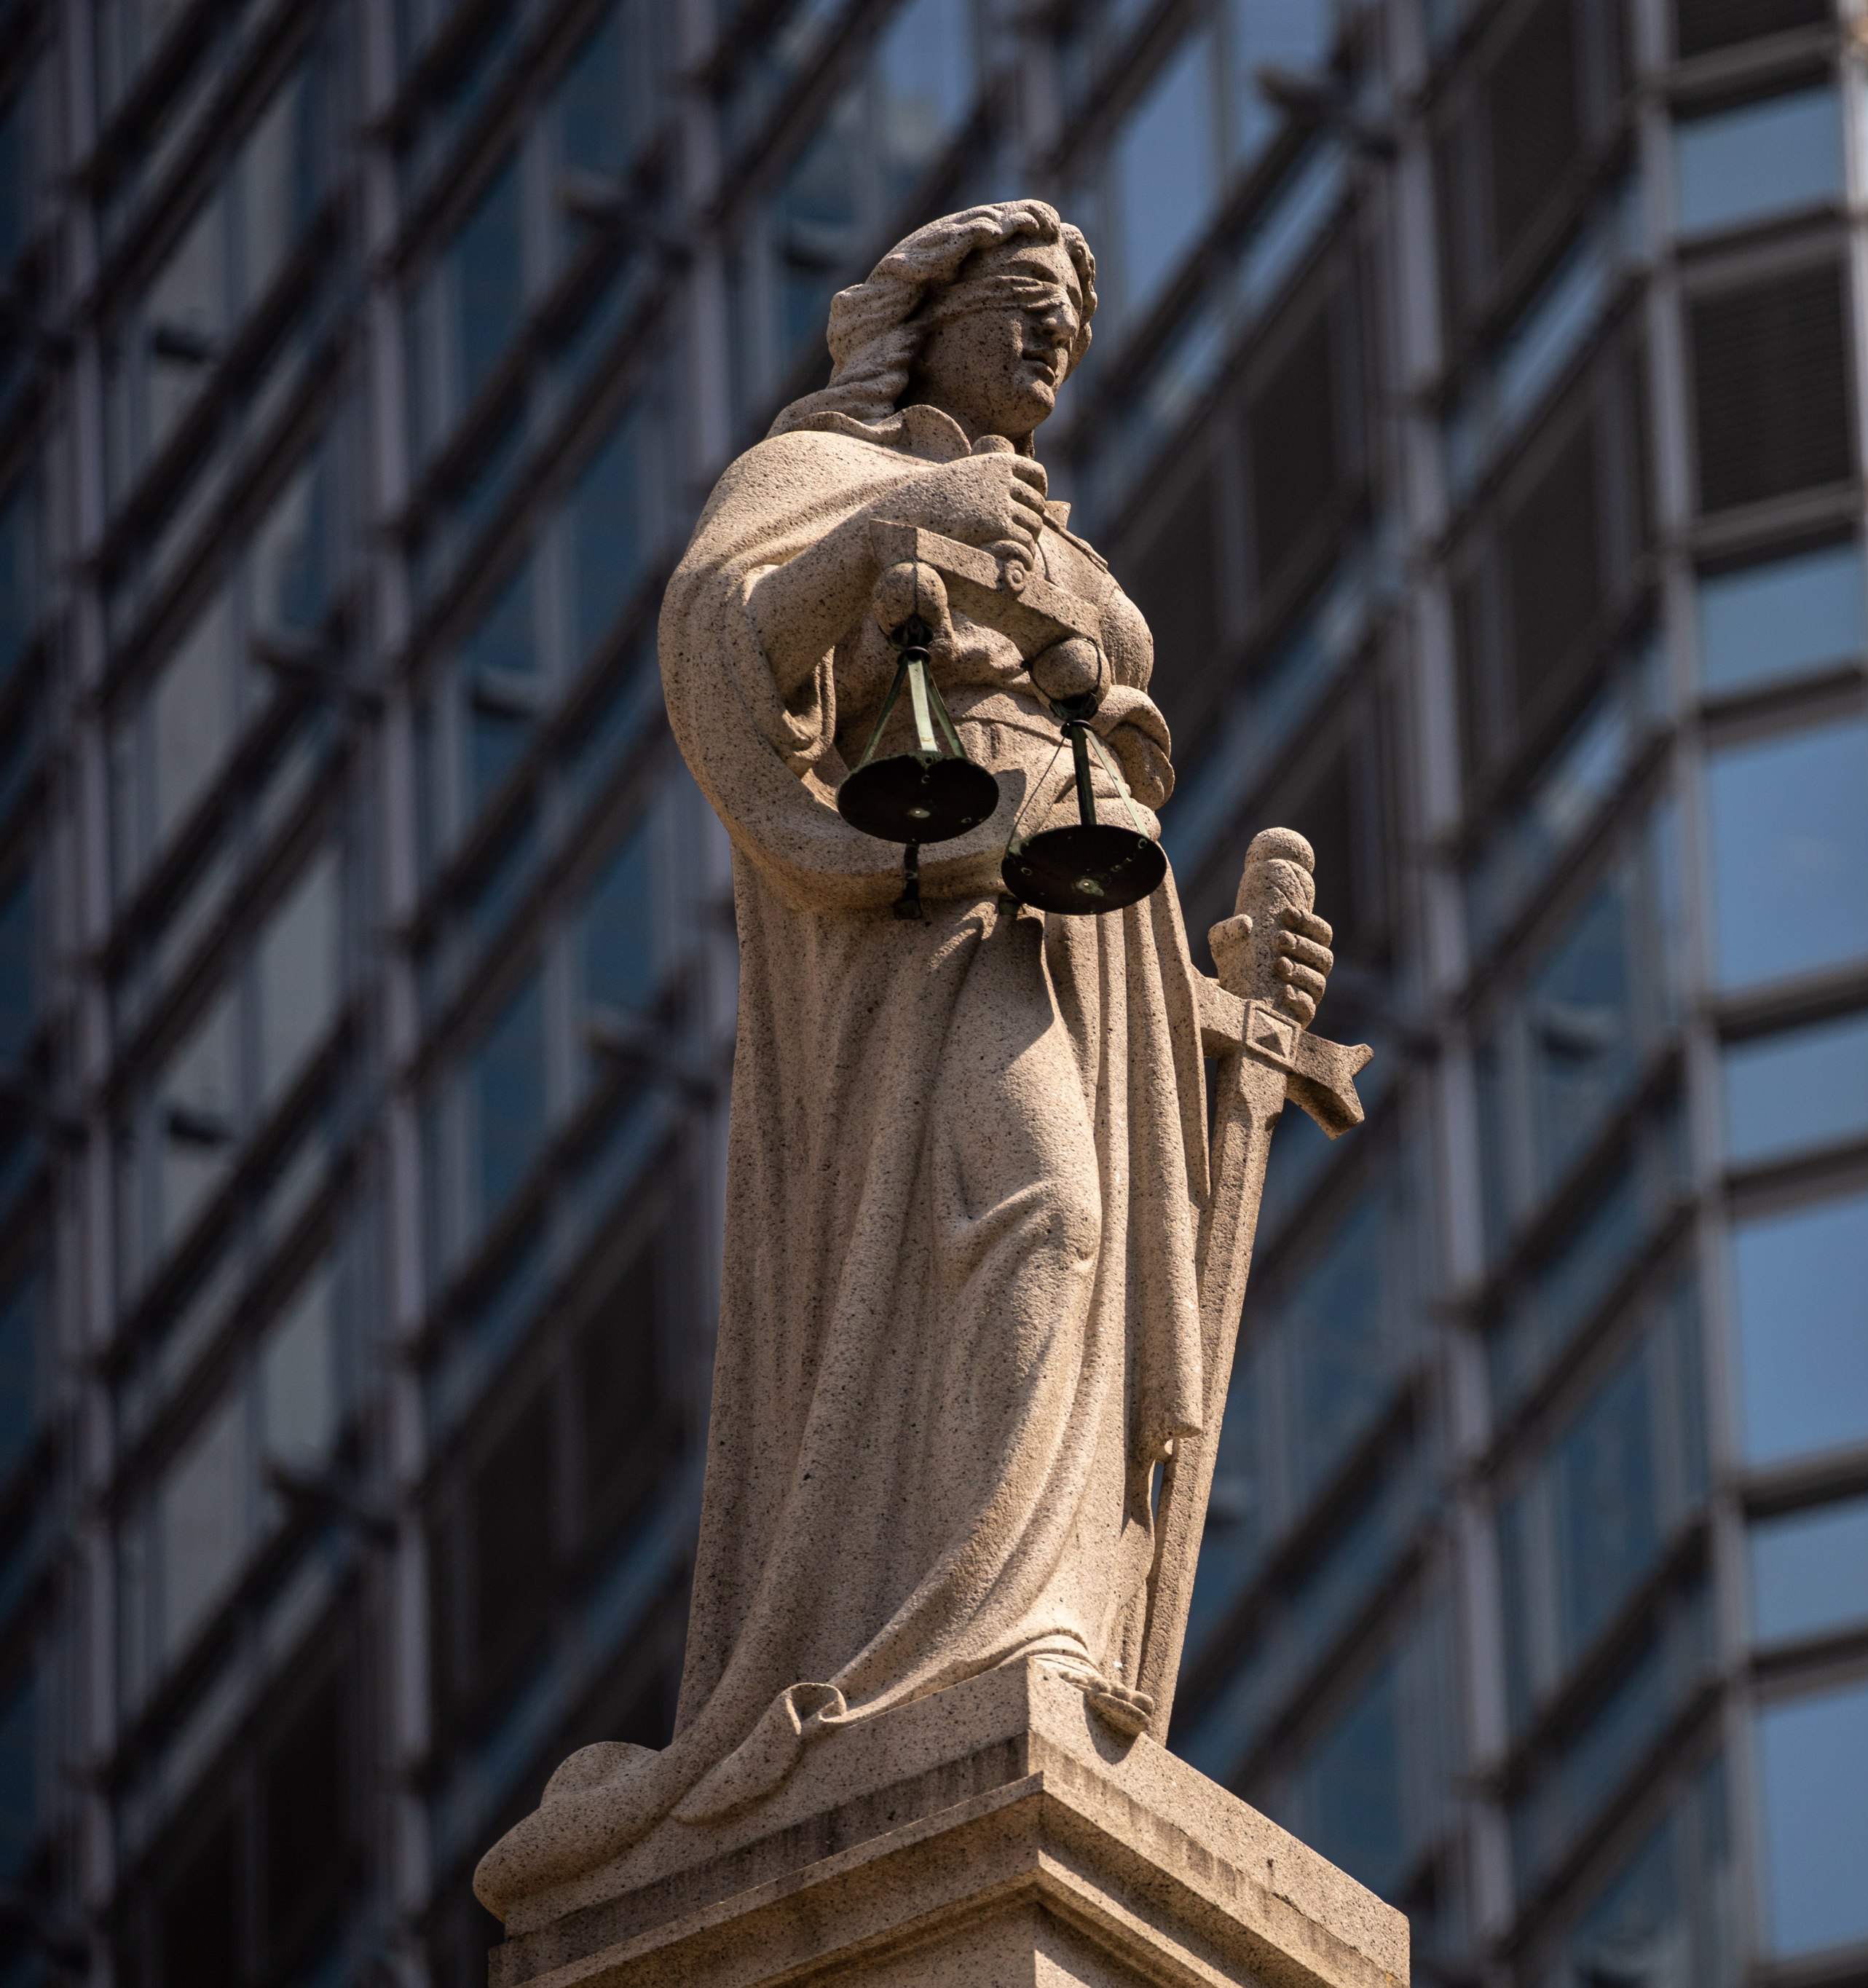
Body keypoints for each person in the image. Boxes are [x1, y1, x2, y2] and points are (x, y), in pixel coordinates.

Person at [473, 200, 1333, 1915]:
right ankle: (959, 1639)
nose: (1049, 343)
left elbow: (1098, 787)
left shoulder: (1072, 553)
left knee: (1083, 1274)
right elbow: (721, 646)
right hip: (925, 911)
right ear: (917, 323)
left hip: (1091, 921)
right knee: (1041, 1220)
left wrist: (1226, 983)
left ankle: (1047, 1614)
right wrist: (899, 537)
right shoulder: (825, 475)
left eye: (1067, 326)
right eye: (1017, 306)